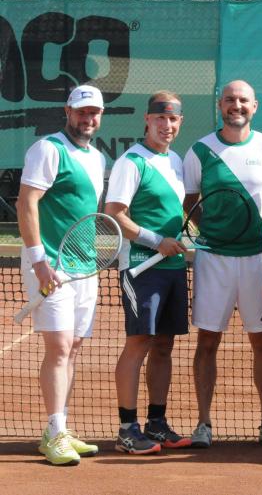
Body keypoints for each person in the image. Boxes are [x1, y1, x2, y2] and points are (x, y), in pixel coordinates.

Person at [184, 80, 262, 448]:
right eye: (230, 99)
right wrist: (215, 235)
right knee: (207, 340)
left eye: (243, 100)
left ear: (255, 106)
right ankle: (203, 424)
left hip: (259, 260)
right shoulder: (199, 150)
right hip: (213, 260)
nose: (236, 105)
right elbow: (190, 203)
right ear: (220, 105)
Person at [17, 85, 105, 465]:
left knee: (74, 347)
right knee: (59, 347)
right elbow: (26, 203)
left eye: (94, 112)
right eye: (82, 111)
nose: (88, 118)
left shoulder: (97, 158)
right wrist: (39, 261)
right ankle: (55, 434)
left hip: (85, 268)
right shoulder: (48, 149)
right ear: (67, 111)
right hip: (52, 264)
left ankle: (59, 429)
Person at [105, 91, 191, 454]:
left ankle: (157, 424)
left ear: (180, 122)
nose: (166, 125)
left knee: (164, 345)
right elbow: (115, 214)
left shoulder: (176, 160)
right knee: (139, 343)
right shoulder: (131, 162)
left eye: (172, 119)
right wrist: (156, 241)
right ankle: (128, 429)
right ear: (147, 120)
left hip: (172, 268)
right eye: (160, 118)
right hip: (141, 268)